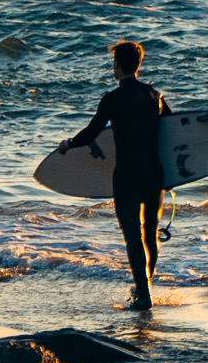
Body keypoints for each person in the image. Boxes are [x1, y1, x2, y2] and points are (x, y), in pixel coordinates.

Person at [60, 40, 171, 309]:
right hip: (154, 173)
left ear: (117, 65)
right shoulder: (155, 96)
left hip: (126, 176)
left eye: (113, 63)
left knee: (132, 236)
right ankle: (146, 287)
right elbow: (174, 129)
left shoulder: (112, 99)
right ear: (139, 65)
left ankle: (143, 295)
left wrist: (68, 144)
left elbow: (92, 131)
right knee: (150, 234)